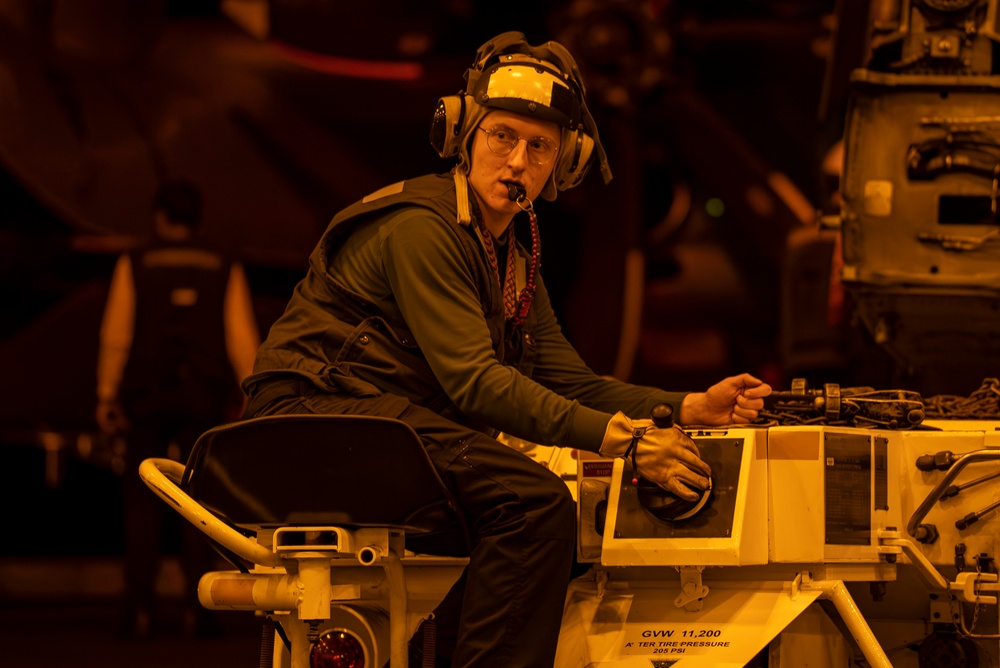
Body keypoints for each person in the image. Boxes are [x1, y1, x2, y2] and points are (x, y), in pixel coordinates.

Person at [241, 32, 771, 667]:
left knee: (543, 506)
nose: (518, 161)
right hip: (311, 419)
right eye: (502, 137)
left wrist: (686, 408)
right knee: (533, 501)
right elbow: (476, 384)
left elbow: (570, 382)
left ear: (562, 165)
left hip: (375, 425)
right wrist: (627, 442)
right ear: (464, 135)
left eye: (539, 146)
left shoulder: (513, 253)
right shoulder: (422, 229)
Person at [95, 179, 260, 639]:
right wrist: (249, 394)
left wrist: (107, 396)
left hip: (145, 396)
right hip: (203, 398)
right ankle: (196, 607)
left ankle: (139, 609)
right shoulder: (224, 263)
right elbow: (240, 335)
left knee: (140, 504)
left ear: (160, 216)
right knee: (200, 504)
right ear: (196, 219)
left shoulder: (136, 261)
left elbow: (116, 334)